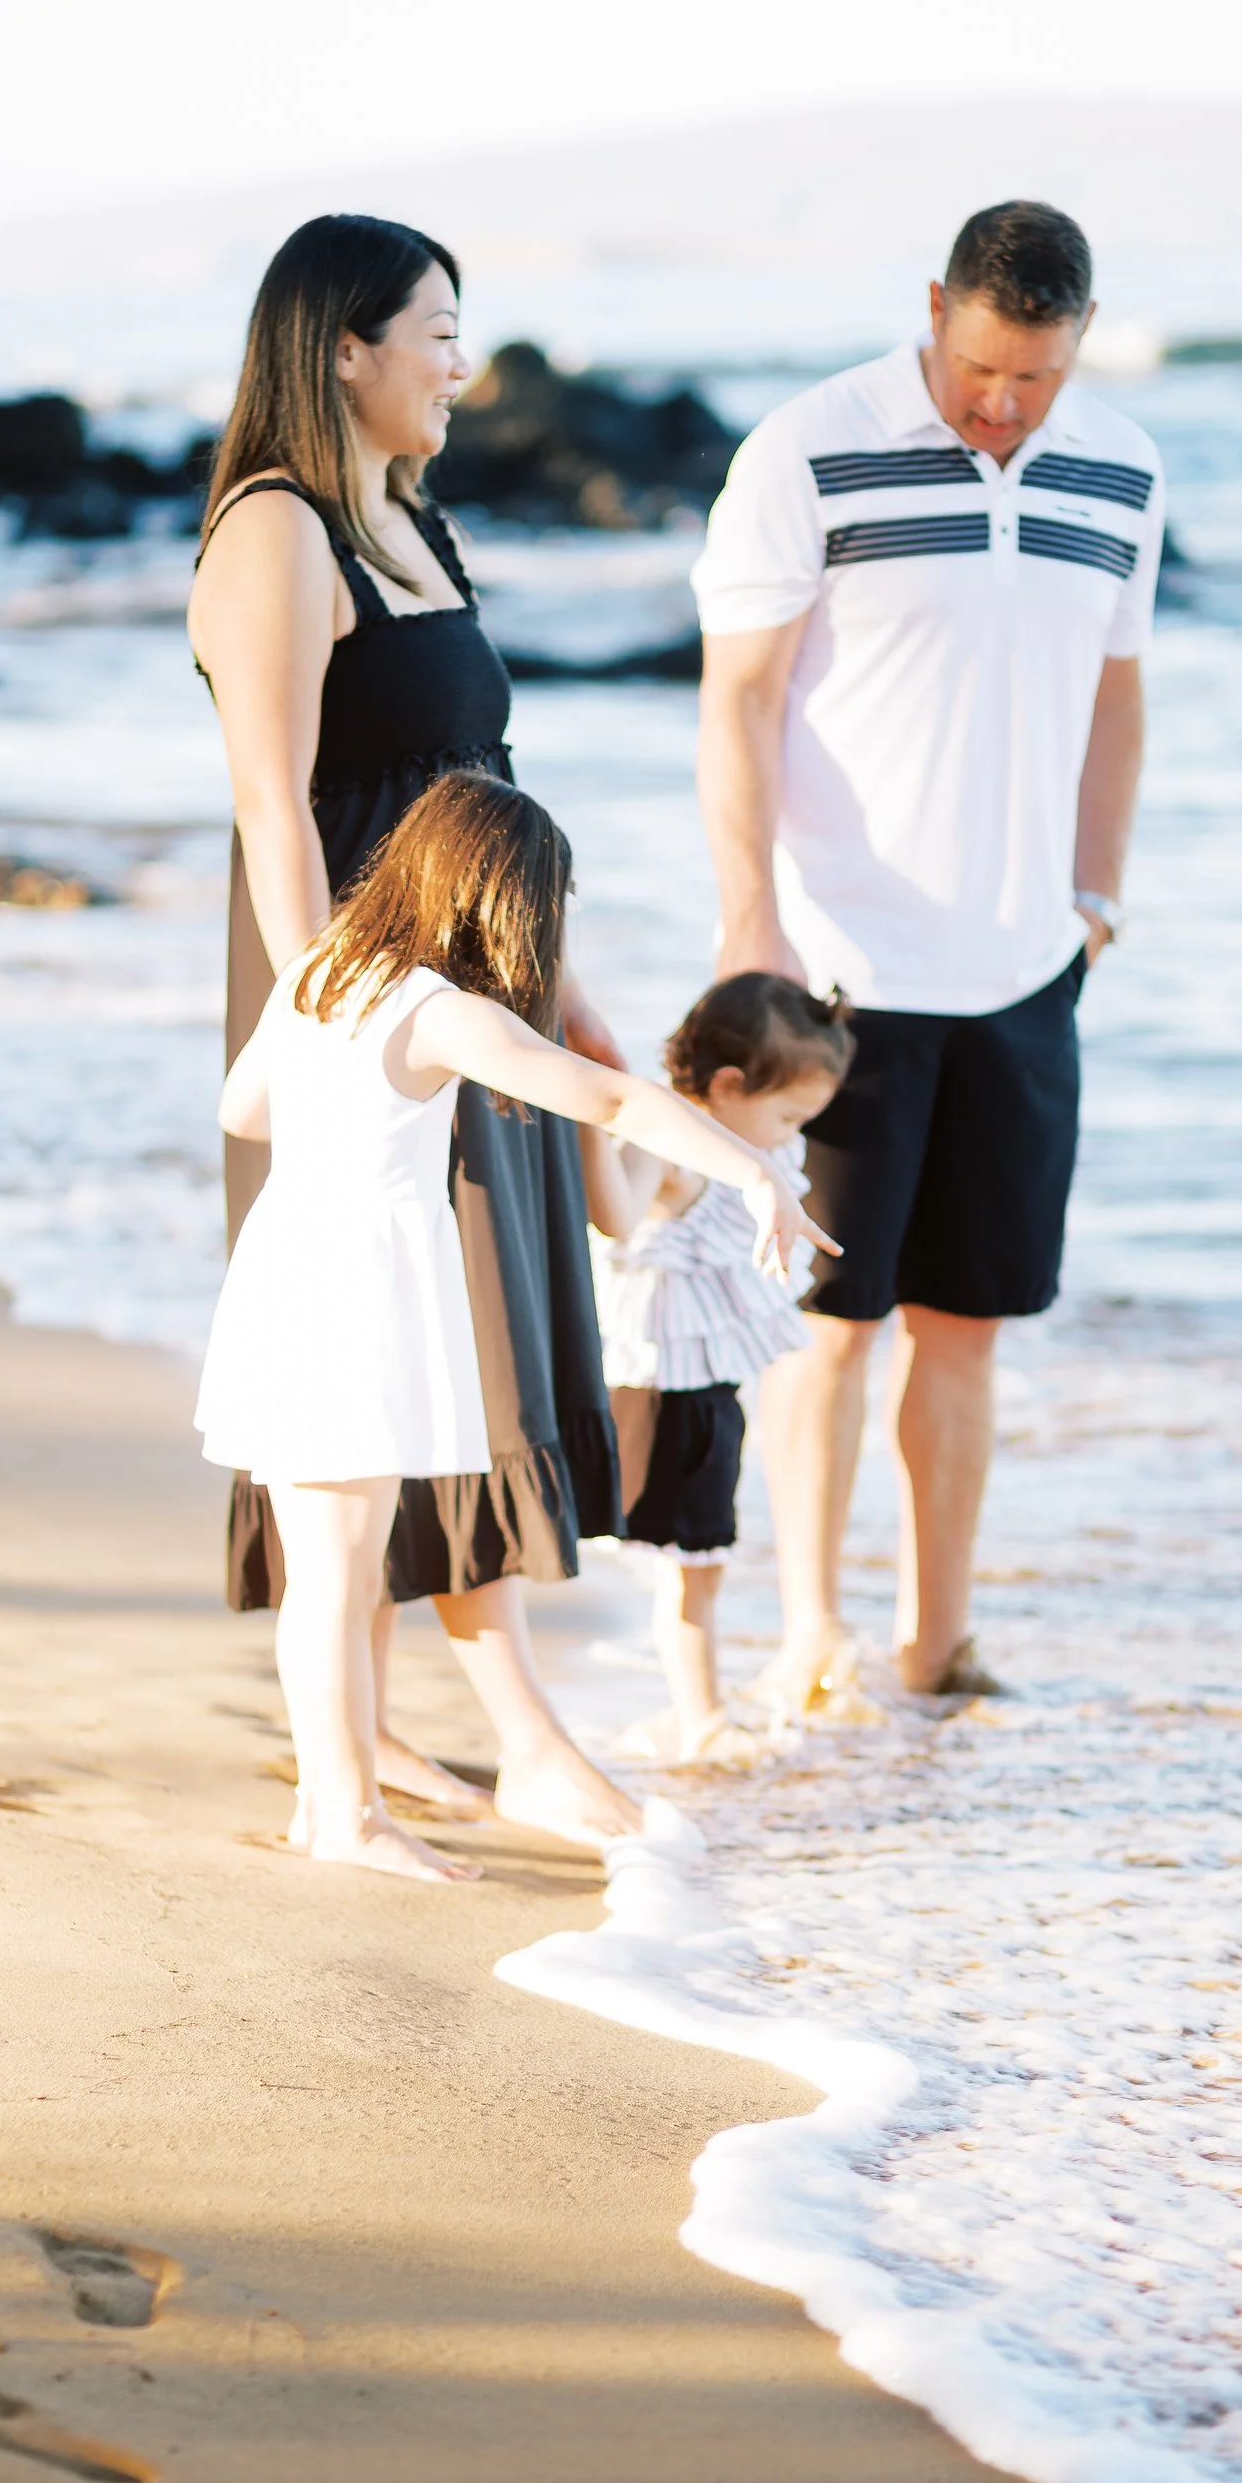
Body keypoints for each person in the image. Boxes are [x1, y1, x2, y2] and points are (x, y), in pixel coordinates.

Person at [187, 213, 639, 1847]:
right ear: (343, 347)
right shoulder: (276, 533)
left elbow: (483, 793)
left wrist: (570, 991)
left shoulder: (407, 521)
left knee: (458, 1343)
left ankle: (371, 1737)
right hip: (368, 1005)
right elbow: (274, 805)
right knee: (423, 1344)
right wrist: (337, 1023)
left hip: (472, 978)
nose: (461, 361)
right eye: (436, 328)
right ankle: (516, 1731)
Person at [693, 198, 1157, 1709]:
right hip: (842, 975)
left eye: (1036, 374)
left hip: (1026, 977)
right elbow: (740, 700)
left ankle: (939, 1640)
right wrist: (749, 921)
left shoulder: (1124, 468)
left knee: (971, 1328)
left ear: (1079, 341)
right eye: (978, 367)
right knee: (832, 1330)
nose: (1002, 403)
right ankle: (813, 1631)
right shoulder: (807, 450)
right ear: (936, 306)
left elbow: (1116, 692)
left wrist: (1097, 891)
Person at [201, 776, 834, 1882]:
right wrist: (755, 1177)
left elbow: (240, 1111)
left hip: (287, 1262)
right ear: (502, 899)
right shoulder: (441, 1010)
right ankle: (343, 1817)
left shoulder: (318, 969)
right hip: (361, 1285)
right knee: (341, 1575)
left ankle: (328, 1804)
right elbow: (611, 1100)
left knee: (330, 1570)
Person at [578, 973, 855, 1764]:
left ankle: (700, 1704)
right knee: (693, 1567)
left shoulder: (745, 1146)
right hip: (662, 1392)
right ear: (730, 1086)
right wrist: (595, 1120)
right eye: (790, 1115)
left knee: (698, 1564)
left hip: (708, 1387)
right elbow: (616, 1217)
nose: (791, 1136)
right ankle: (699, 1715)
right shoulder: (675, 1154)